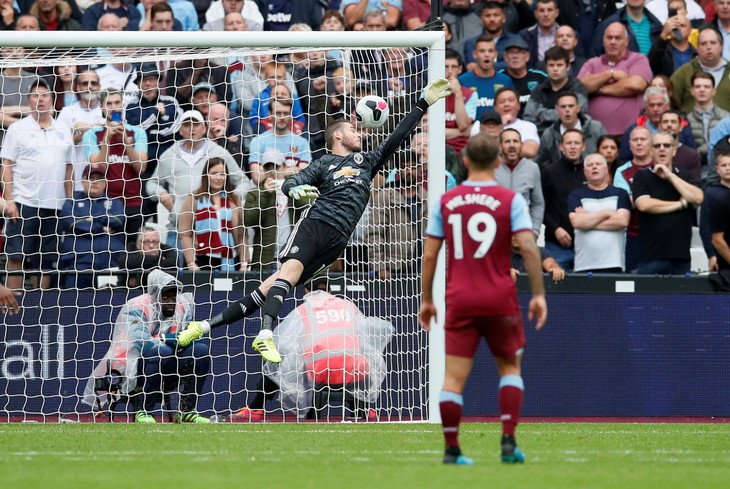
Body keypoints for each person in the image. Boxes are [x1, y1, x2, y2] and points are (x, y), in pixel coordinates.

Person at [176, 79, 453, 363]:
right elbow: (294, 180)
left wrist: (423, 103)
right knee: (289, 275)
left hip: (338, 242)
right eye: (351, 129)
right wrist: (292, 187)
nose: (358, 132)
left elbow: (397, 137)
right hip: (316, 225)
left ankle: (202, 326)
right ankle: (265, 334)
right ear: (336, 137)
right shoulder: (323, 163)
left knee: (267, 289)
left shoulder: (366, 162)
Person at [419, 133, 547, 466]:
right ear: (497, 162)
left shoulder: (446, 202)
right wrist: (537, 294)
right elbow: (529, 248)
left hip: (459, 298)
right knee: (509, 368)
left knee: (453, 378)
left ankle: (451, 449)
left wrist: (427, 300)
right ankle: (508, 442)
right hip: (499, 297)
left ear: (464, 161)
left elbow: (430, 255)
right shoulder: (510, 200)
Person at [232, 277, 393, 421]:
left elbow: (282, 343)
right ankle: (363, 408)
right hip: (357, 372)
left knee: (275, 358)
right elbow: (365, 337)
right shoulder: (348, 305)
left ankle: (256, 408)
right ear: (331, 291)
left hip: (320, 371)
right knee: (360, 357)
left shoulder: (304, 309)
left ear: (307, 291)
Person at [82, 270, 211, 424]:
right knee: (161, 351)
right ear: (156, 294)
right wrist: (170, 338)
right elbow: (143, 344)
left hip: (169, 364)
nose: (170, 301)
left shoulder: (183, 306)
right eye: (165, 296)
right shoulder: (136, 307)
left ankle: (187, 411)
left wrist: (191, 334)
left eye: (173, 296)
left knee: (201, 350)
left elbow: (188, 338)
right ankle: (143, 410)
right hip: (132, 367)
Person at [1, 79, 73, 290]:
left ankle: (43, 307)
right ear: (29, 101)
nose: (40, 100)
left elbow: (69, 168)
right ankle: (11, 307)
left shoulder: (63, 128)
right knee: (17, 257)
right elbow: (6, 164)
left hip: (55, 206)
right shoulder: (17, 128)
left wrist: (68, 200)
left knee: (47, 261)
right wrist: (9, 199)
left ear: (52, 99)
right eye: (35, 95)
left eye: (44, 95)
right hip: (24, 203)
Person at [83, 88, 148, 242]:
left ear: (122, 105)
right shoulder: (92, 134)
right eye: (109, 103)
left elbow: (141, 168)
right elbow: (98, 168)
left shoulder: (137, 132)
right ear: (102, 107)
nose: (113, 107)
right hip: (105, 204)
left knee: (131, 253)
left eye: (117, 102)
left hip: (133, 203)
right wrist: (107, 139)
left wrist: (126, 142)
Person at [634, 132, 704, 274]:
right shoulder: (642, 176)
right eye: (657, 146)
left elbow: (698, 198)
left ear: (674, 151)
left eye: (666, 145)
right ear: (651, 151)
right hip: (650, 257)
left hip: (681, 258)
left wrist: (670, 175)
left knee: (680, 297)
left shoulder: (685, 176)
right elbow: (644, 205)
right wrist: (681, 205)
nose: (662, 149)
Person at [58, 163, 126, 288]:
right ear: (83, 181)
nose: (94, 182)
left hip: (109, 263)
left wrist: (91, 219)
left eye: (99, 179)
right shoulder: (71, 202)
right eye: (91, 178)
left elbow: (118, 220)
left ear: (105, 183)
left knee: (109, 304)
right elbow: (73, 223)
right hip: (78, 264)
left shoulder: (115, 202)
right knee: (74, 303)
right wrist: (102, 227)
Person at [578, 22, 652, 137]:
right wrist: (610, 74)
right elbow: (580, 87)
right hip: (595, 135)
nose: (613, 42)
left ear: (627, 42)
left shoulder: (638, 59)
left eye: (618, 38)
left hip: (629, 135)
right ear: (603, 40)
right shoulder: (592, 63)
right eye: (609, 38)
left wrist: (599, 88)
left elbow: (636, 85)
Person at [178, 157, 247, 272]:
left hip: (230, 259)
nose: (218, 178)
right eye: (214, 173)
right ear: (206, 175)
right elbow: (185, 234)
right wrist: (191, 263)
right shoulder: (193, 199)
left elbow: (241, 234)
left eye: (222, 174)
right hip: (202, 260)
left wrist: (244, 263)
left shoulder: (234, 200)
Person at [567, 154, 631, 273]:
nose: (594, 167)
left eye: (598, 164)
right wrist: (607, 212)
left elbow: (622, 221)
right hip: (584, 264)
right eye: (590, 165)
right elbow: (577, 222)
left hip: (614, 263)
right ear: (585, 171)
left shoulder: (620, 193)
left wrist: (587, 222)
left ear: (606, 169)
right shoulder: (576, 195)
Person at [541, 128, 588, 271]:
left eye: (576, 143)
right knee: (559, 291)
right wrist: (555, 229)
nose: (573, 147)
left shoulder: (591, 171)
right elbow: (541, 206)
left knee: (589, 291)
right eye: (568, 143)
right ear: (561, 146)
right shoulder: (549, 171)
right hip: (557, 246)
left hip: (587, 246)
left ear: (583, 146)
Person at [613, 126, 654, 273]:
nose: (639, 143)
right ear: (629, 144)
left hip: (661, 236)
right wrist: (652, 196)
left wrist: (637, 196)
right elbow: (625, 203)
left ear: (651, 143)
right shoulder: (621, 171)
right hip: (634, 236)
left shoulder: (661, 166)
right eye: (635, 140)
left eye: (643, 139)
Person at [523, 46, 589, 132]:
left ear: (568, 67)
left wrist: (541, 114)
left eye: (559, 65)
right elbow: (528, 118)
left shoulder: (578, 88)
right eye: (551, 65)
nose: (555, 69)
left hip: (570, 136)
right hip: (542, 138)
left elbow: (577, 115)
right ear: (546, 67)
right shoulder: (539, 90)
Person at [495, 128, 545, 235]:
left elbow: (538, 203)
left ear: (521, 145)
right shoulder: (490, 168)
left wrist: (534, 232)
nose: (512, 145)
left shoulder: (532, 168)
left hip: (522, 232)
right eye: (507, 141)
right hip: (496, 233)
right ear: (500, 146)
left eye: (515, 141)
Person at [536, 91, 606, 167]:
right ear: (557, 110)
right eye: (563, 107)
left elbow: (607, 152)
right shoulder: (549, 135)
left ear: (578, 108)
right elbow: (544, 163)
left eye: (571, 106)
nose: (567, 110)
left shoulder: (596, 128)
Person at [671, 27, 730, 113]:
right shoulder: (683, 72)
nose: (709, 47)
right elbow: (671, 103)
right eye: (703, 44)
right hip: (691, 125)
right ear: (697, 48)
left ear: (721, 46)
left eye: (713, 43)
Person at [458, 35, 515, 122]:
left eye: (490, 51)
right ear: (474, 54)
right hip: (471, 132)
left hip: (499, 130)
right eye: (482, 51)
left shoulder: (505, 80)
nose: (486, 55)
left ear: (495, 54)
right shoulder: (463, 81)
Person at [685, 71, 730, 166]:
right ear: (692, 91)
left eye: (706, 87)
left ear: (714, 91)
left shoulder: (726, 118)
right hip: (694, 169)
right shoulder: (686, 120)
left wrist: (698, 151)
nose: (702, 90)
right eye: (697, 87)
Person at [700, 152, 730, 271]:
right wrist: (711, 255)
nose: (728, 168)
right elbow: (705, 226)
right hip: (721, 254)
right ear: (717, 169)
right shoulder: (711, 194)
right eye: (724, 165)